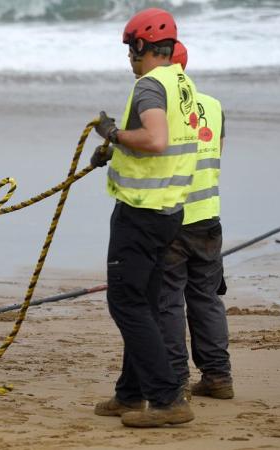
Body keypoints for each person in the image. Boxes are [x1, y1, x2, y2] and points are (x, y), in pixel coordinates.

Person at [90, 8, 199, 427]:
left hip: (142, 212)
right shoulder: (181, 82)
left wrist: (114, 134)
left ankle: (167, 400)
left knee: (126, 303)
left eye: (129, 49)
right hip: (169, 209)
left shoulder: (150, 86)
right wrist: (117, 148)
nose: (128, 59)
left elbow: (155, 138)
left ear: (140, 45)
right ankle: (130, 394)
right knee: (146, 303)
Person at [157, 42, 234, 399]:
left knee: (168, 300)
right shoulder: (215, 107)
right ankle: (218, 377)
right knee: (205, 298)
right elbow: (216, 152)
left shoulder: (159, 109)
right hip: (208, 218)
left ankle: (175, 381)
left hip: (171, 218)